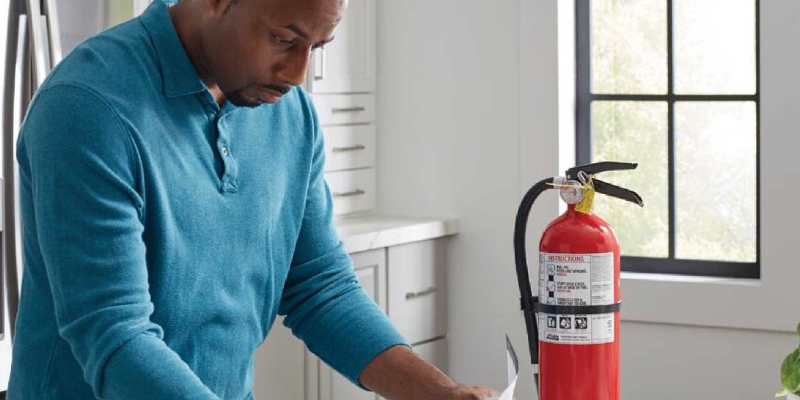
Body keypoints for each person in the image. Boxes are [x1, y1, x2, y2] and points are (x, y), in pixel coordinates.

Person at [6, 0, 505, 399]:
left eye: (319, 46)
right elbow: (116, 334)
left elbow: (319, 286)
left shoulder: (290, 116)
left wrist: (441, 393)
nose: (297, 74)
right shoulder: (89, 109)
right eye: (285, 39)